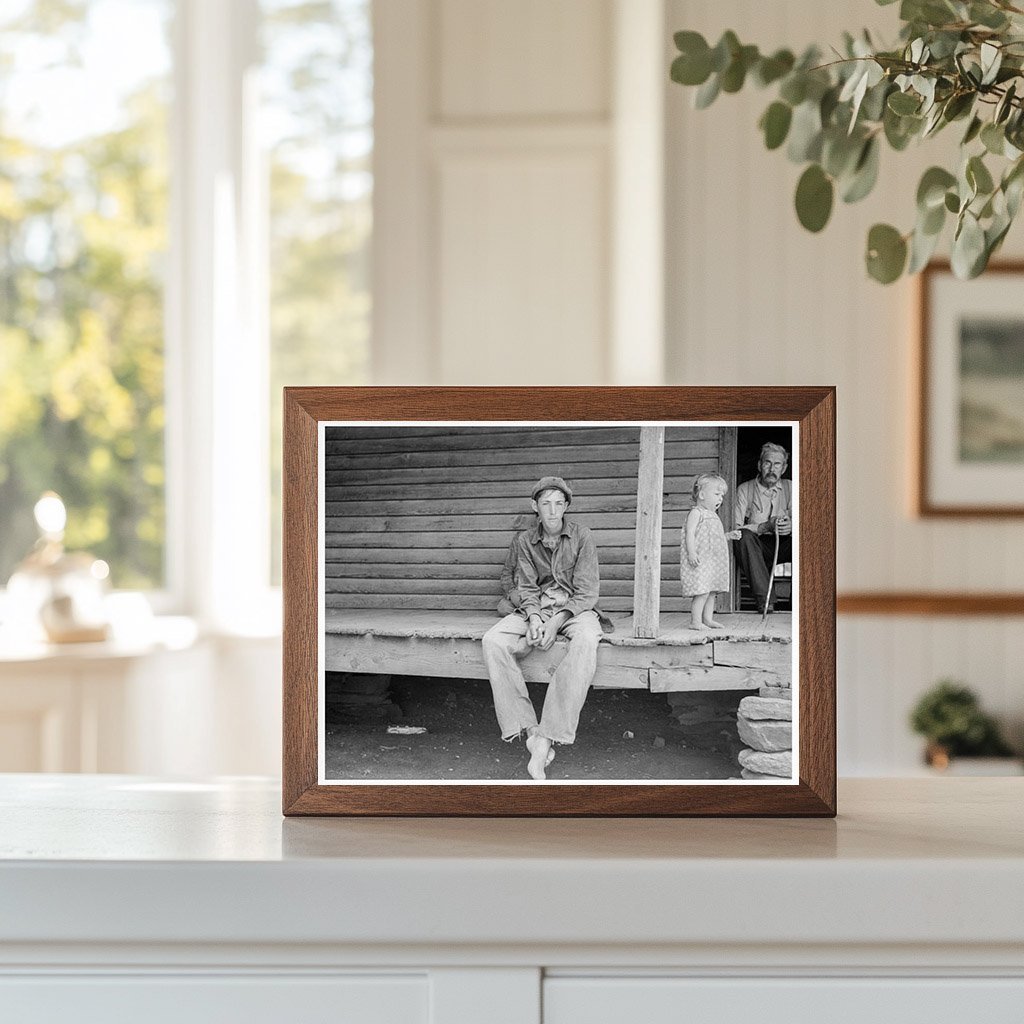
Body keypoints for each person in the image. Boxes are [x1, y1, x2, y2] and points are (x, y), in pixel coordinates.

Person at [482, 476, 610, 781]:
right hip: (534, 608)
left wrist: (557, 620)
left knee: (586, 641)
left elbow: (587, 592)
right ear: (535, 507)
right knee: (493, 640)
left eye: (558, 504)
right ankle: (529, 731)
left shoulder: (583, 536)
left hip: (574, 609)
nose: (552, 511)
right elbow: (525, 587)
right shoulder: (526, 541)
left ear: (566, 506)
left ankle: (550, 734)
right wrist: (537, 619)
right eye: (545, 504)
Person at [733, 442, 793, 614]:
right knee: (742, 537)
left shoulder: (792, 487)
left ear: (784, 468)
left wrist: (791, 525)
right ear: (759, 465)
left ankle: (800, 602)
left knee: (810, 540)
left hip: (786, 544)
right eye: (767, 463)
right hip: (758, 546)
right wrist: (764, 526)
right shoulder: (745, 490)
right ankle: (765, 601)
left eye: (777, 464)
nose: (772, 469)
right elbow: (736, 528)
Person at [680, 473, 741, 630]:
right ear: (701, 494)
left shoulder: (713, 515)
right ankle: (695, 621)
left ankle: (708, 619)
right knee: (702, 591)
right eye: (716, 494)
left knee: (712, 591)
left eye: (722, 495)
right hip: (701, 559)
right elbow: (690, 534)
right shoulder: (697, 513)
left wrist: (728, 536)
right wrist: (691, 553)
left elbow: (715, 537)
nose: (720, 498)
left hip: (713, 561)